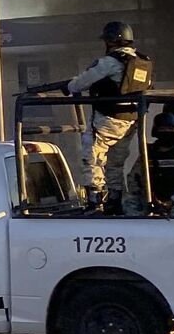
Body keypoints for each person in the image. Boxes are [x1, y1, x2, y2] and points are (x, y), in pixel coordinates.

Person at [65, 21, 152, 211]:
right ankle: (115, 199)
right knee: (115, 162)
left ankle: (95, 201)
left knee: (92, 157)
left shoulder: (109, 62)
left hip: (108, 120)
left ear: (111, 41)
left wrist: (69, 86)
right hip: (131, 121)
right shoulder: (141, 61)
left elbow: (79, 85)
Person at [125, 111, 174, 215]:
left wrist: (172, 202)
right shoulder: (148, 153)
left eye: (170, 129)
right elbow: (134, 179)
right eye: (162, 129)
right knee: (129, 209)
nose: (166, 132)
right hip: (150, 200)